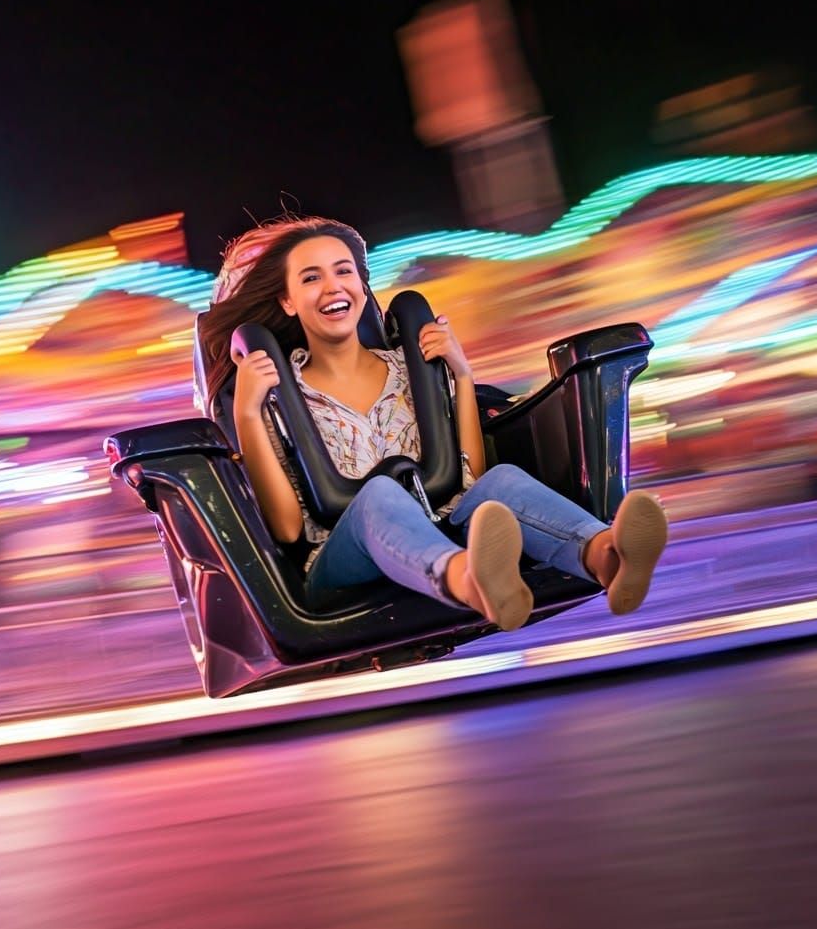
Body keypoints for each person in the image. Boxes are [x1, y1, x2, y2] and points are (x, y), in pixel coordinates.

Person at [201, 215, 668, 631]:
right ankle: (473, 581)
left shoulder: (412, 371)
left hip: (442, 523)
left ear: (363, 289)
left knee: (502, 480)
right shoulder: (278, 397)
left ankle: (608, 556)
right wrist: (246, 411)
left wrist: (462, 376)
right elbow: (286, 529)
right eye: (311, 278)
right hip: (339, 560)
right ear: (287, 302)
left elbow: (472, 478)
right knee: (379, 493)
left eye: (344, 271)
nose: (333, 286)